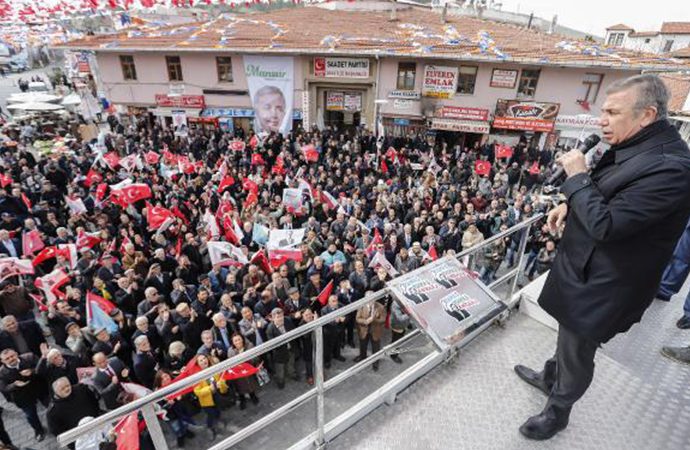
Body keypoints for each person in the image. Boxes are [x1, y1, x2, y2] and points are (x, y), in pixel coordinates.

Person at [514, 74, 690, 440]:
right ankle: (550, 376)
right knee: (567, 334)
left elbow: (608, 225)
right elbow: (611, 193)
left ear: (646, 115)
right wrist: (570, 204)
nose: (602, 120)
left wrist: (576, 177)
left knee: (578, 348)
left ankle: (557, 411)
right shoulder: (636, 145)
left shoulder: (672, 168)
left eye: (612, 111)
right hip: (586, 268)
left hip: (608, 283)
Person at [0, 349, 47, 441]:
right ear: (2, 361)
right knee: (30, 415)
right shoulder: (1, 373)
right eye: (7, 358)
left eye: (12, 356)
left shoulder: (30, 357)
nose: (11, 359)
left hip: (39, 389)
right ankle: (38, 430)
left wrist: (32, 371)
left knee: (50, 405)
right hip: (22, 396)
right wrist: (14, 385)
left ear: (17, 354)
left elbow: (43, 368)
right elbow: (3, 388)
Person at [354, 295, 386, 371]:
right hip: (364, 331)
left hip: (375, 331)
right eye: (369, 300)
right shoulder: (361, 306)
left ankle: (375, 362)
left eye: (372, 299)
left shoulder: (380, 307)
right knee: (363, 345)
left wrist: (374, 319)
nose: (371, 302)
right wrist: (365, 321)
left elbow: (383, 319)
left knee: (375, 347)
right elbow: (357, 318)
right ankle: (362, 357)